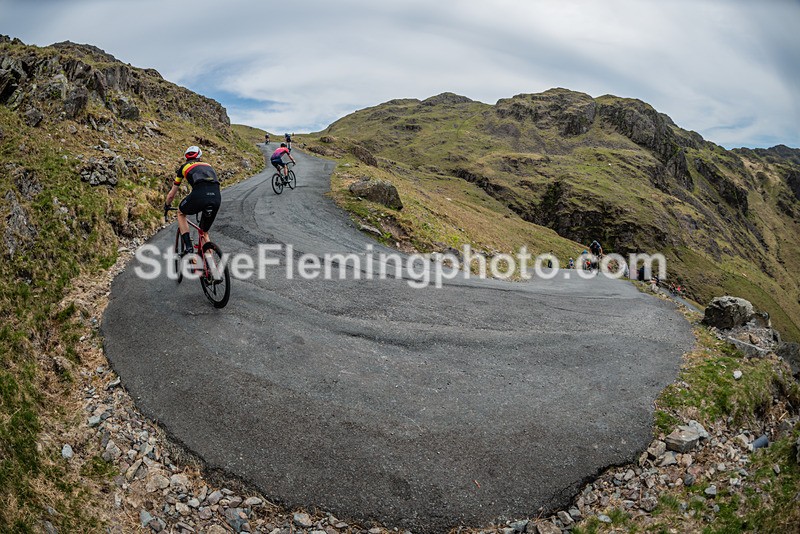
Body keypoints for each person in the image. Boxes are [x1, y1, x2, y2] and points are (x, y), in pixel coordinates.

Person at [164, 146, 221, 255]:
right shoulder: (208, 165)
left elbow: (172, 194)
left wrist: (167, 205)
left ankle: (189, 247)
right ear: (199, 157)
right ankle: (211, 268)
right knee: (204, 233)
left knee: (181, 212)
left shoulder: (183, 167)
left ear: (186, 157)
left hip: (199, 195)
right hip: (216, 196)